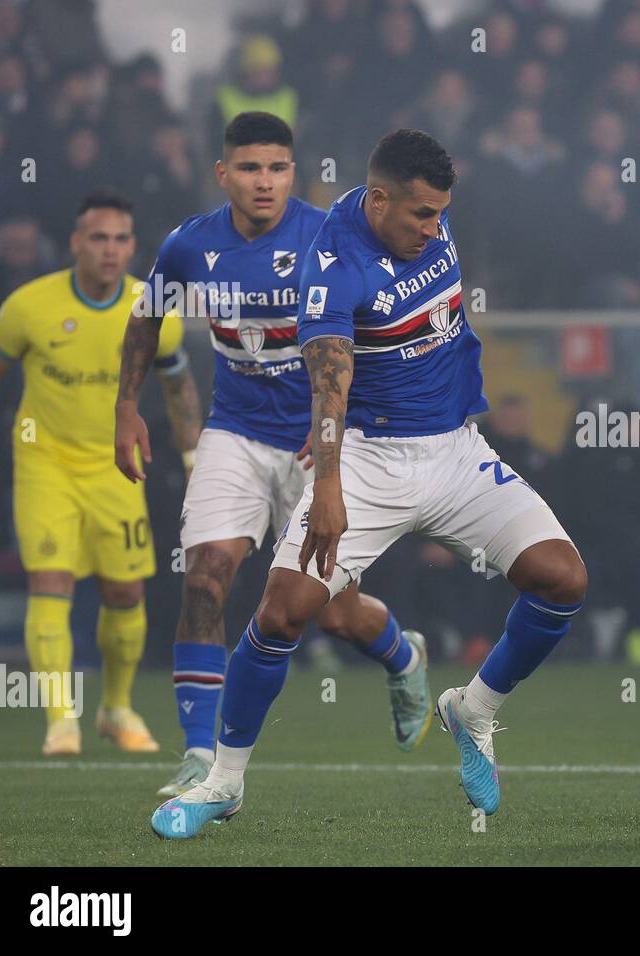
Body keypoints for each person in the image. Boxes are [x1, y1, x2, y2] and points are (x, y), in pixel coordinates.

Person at [150, 129, 586, 839]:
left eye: (441, 214)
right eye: (422, 215)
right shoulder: (331, 270)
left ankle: (472, 712)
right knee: (283, 611)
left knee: (563, 579)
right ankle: (223, 783)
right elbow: (328, 385)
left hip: (454, 452)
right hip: (370, 460)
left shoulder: (419, 223)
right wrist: (327, 486)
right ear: (379, 200)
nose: (435, 228)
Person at [115, 113, 430, 800]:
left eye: (278, 168)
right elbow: (147, 317)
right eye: (251, 168)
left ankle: (403, 655)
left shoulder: (330, 235)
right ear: (222, 173)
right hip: (234, 430)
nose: (265, 182)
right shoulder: (189, 246)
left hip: (320, 445)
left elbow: (379, 325)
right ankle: (201, 758)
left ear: (294, 172)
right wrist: (125, 408)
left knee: (332, 612)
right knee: (205, 576)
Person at [0, 191, 197, 755]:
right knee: (48, 580)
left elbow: (178, 383)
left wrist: (194, 456)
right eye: (97, 238)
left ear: (132, 246)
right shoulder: (29, 305)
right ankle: (60, 720)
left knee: (124, 592)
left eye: (120, 238)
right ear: (75, 243)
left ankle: (116, 709)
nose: (109, 249)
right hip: (44, 463)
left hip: (117, 467)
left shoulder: (152, 313)